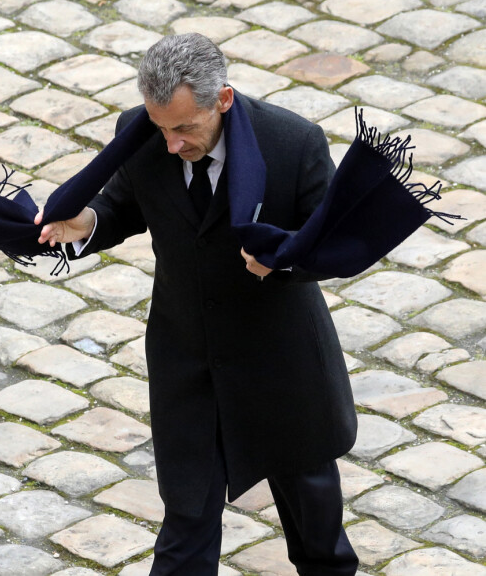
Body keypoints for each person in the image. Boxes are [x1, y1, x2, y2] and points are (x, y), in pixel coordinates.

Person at [36, 33, 359, 576]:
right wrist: (87, 222)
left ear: (223, 100)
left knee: (319, 541)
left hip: (282, 367)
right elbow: (122, 205)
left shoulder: (293, 143)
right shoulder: (139, 134)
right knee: (185, 533)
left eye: (185, 128)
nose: (170, 144)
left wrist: (282, 262)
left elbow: (330, 243)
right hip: (188, 361)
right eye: (160, 127)